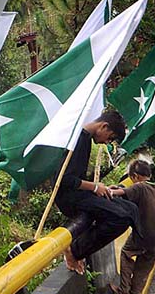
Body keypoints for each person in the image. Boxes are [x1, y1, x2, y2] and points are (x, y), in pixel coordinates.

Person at [55, 110, 140, 275]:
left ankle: (140, 249)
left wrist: (97, 187)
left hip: (80, 193)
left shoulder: (86, 139)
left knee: (131, 209)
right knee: (120, 218)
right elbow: (64, 179)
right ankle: (74, 251)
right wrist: (94, 188)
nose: (106, 142)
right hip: (69, 197)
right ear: (104, 126)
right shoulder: (79, 140)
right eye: (110, 138)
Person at [109, 160, 155, 294]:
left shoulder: (139, 186)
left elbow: (120, 194)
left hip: (143, 235)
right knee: (140, 276)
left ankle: (123, 291)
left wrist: (110, 189)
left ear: (135, 176)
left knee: (126, 252)